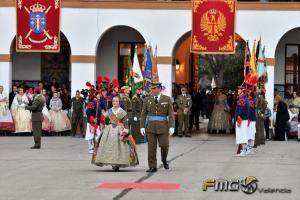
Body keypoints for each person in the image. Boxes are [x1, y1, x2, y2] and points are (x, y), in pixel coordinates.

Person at [93, 96, 139, 171]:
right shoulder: (109, 111)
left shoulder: (122, 112)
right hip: (110, 130)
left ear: (119, 102)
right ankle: (112, 163)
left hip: (120, 129)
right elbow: (107, 122)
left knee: (120, 147)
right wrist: (104, 120)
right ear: (112, 102)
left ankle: (118, 163)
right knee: (109, 147)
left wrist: (126, 130)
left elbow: (125, 123)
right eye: (114, 101)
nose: (115, 102)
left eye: (117, 101)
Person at [140, 82, 175, 172]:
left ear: (159, 89)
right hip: (150, 127)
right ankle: (152, 166)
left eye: (154, 89)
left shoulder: (167, 99)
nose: (152, 90)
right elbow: (143, 114)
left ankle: (164, 160)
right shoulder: (147, 99)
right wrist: (142, 126)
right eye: (151, 89)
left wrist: (172, 126)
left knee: (164, 145)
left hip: (163, 127)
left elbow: (171, 114)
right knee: (151, 148)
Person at [235, 87, 249, 156]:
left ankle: (244, 151)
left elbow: (241, 111)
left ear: (242, 91)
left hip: (242, 120)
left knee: (242, 135)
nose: (238, 90)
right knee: (243, 135)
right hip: (244, 120)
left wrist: (239, 120)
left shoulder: (242, 100)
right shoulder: (243, 99)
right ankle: (244, 150)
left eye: (239, 89)